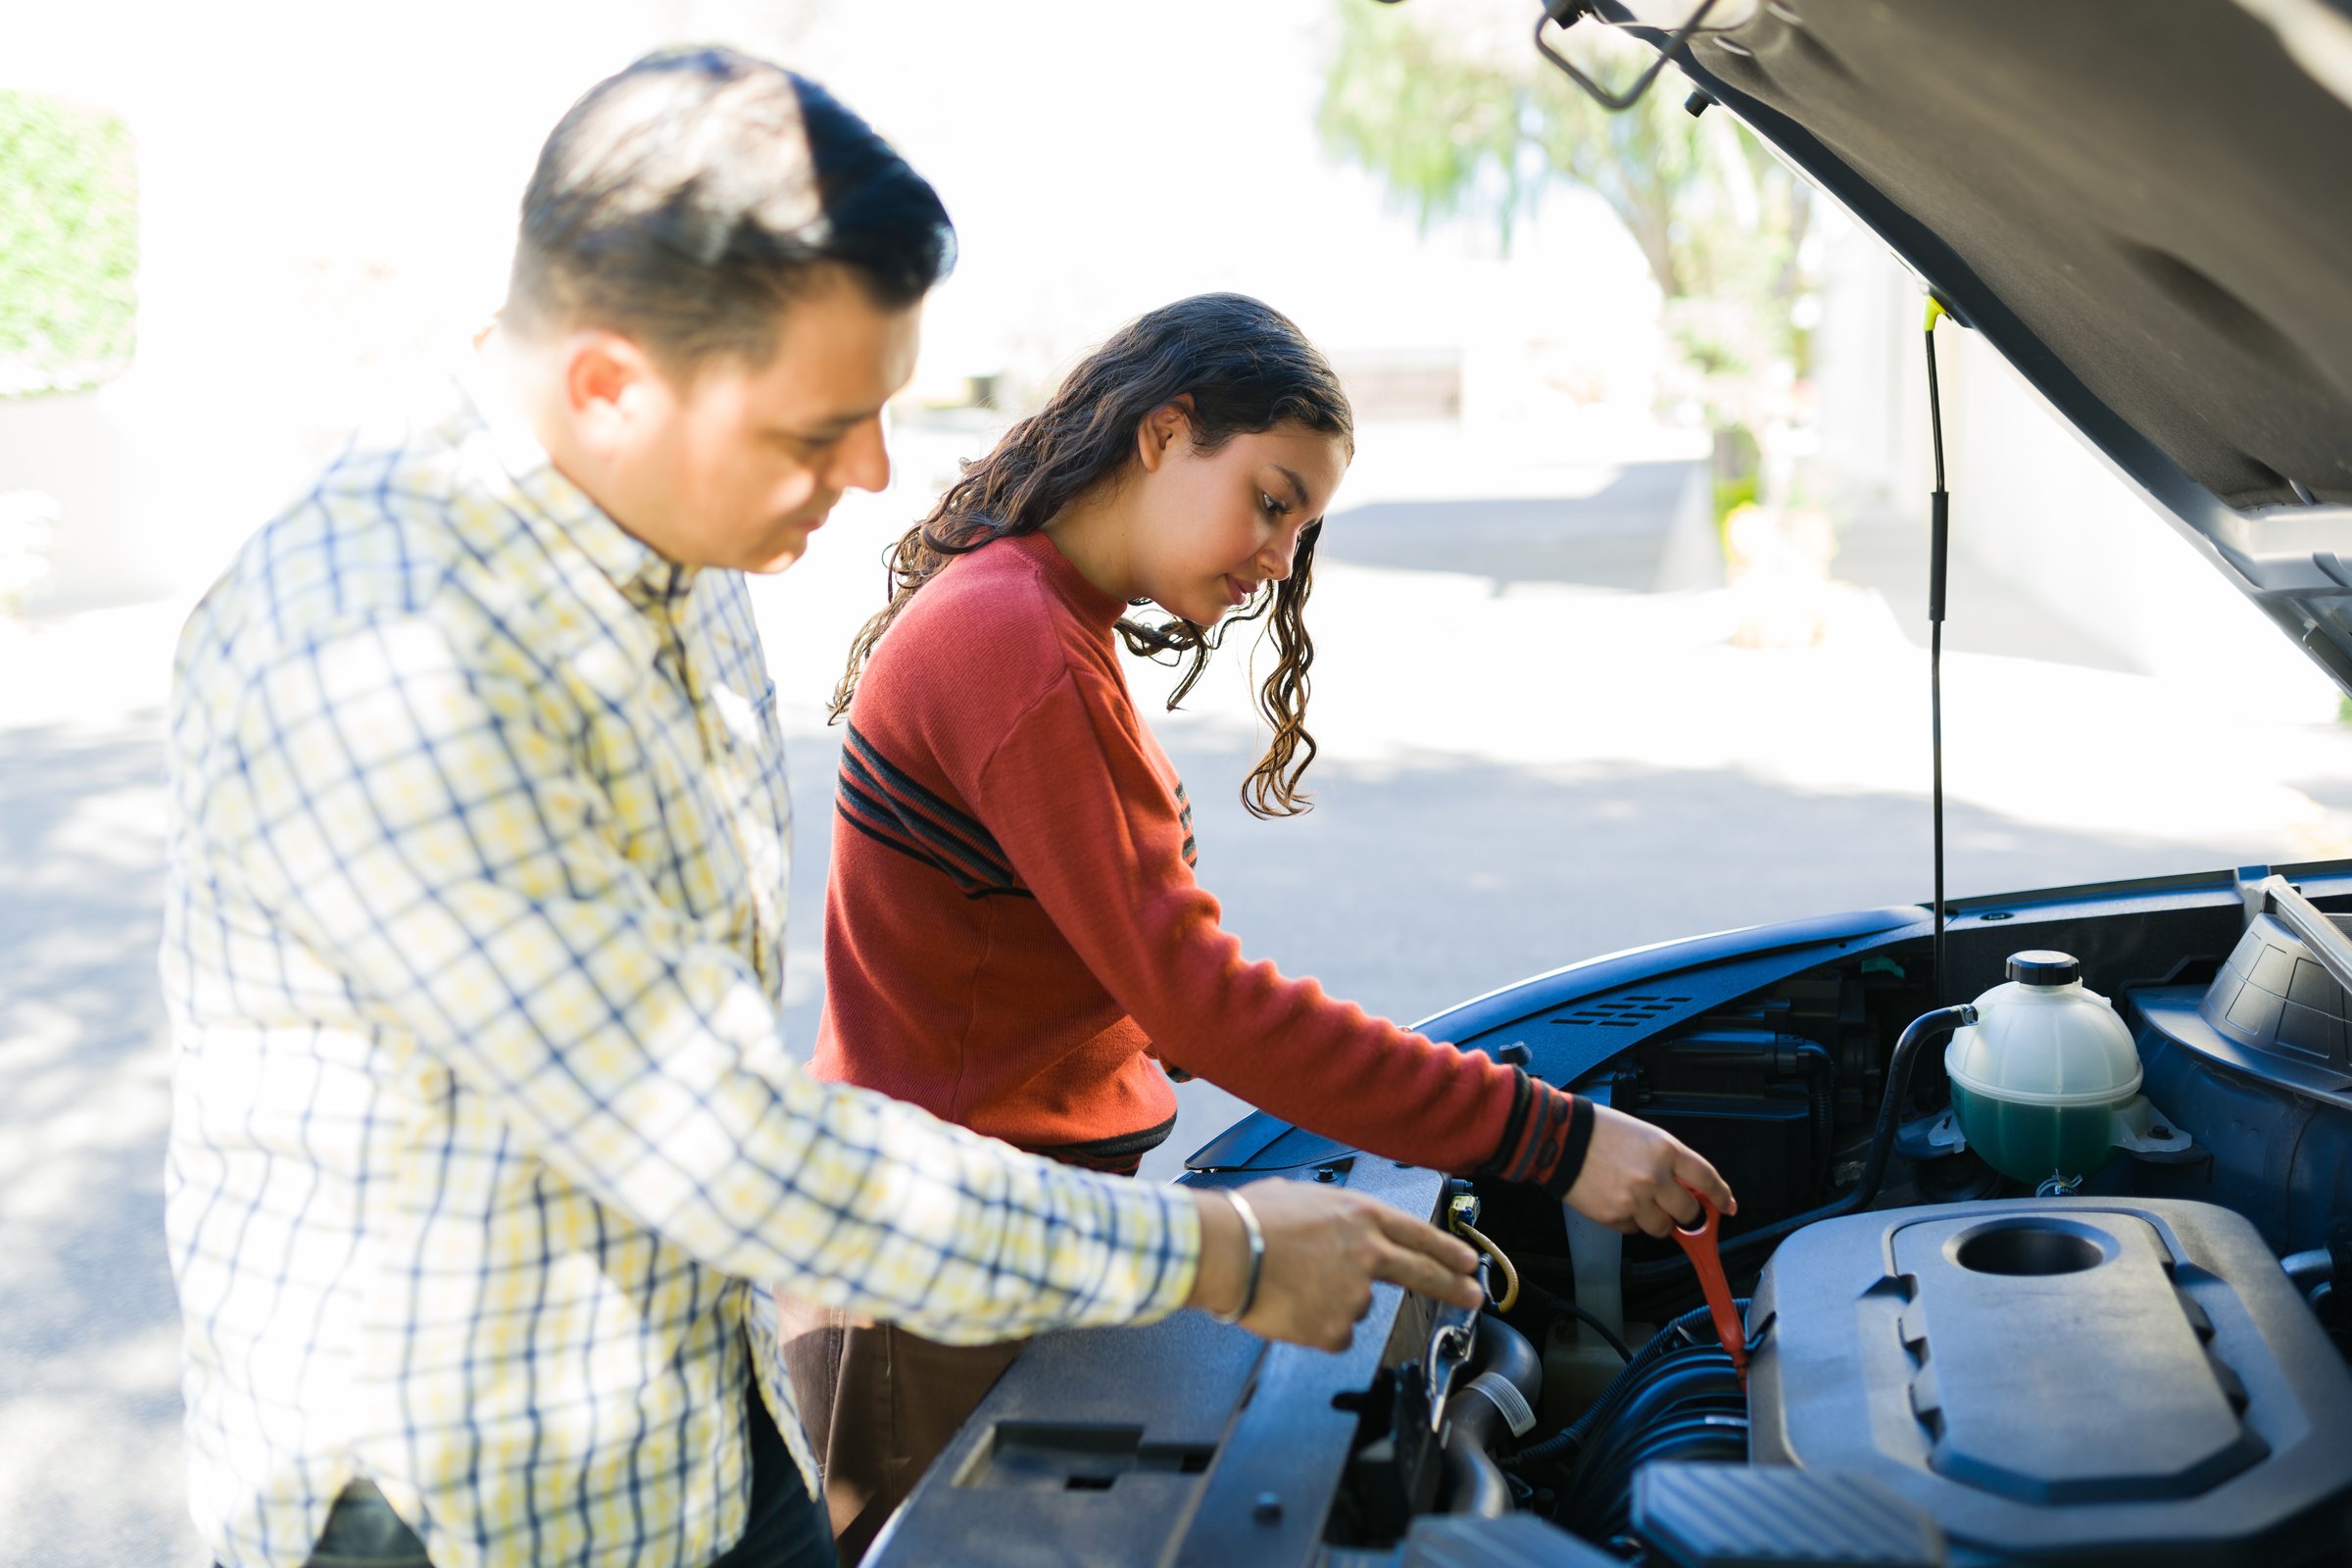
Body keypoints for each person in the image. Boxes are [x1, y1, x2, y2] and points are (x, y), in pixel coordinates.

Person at [161, 51, 1488, 1568]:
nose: (867, 476)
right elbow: (708, 1134)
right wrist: (1222, 1252)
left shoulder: (674, 551)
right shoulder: (382, 641)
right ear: (607, 384)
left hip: (691, 1409)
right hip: (455, 1494)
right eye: (817, 430)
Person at [791, 292, 1738, 1556]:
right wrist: (1553, 1140)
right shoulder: (1015, 643)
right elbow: (1198, 1000)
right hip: (938, 1277)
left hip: (999, 1236)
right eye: (1273, 499)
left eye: (1305, 526)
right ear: (1165, 432)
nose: (1280, 557)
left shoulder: (1031, 615)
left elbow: (1122, 983)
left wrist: (1379, 1099)